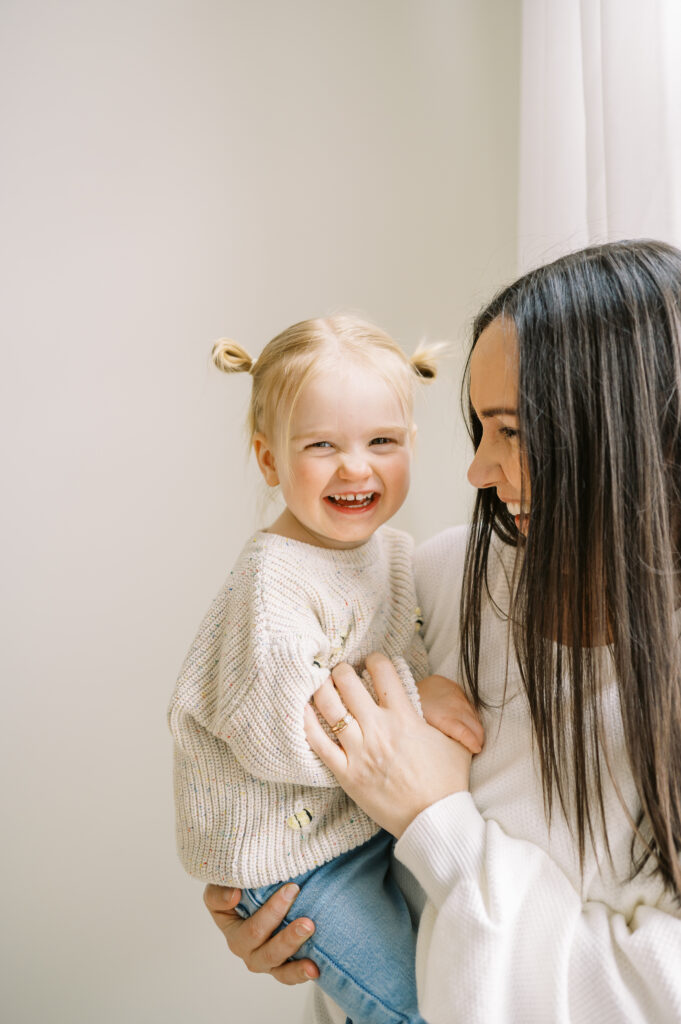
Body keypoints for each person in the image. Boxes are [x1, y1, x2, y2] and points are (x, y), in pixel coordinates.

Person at [205, 240, 681, 1024]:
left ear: (628, 434)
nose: (477, 472)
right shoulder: (434, 579)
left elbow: (650, 995)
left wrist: (436, 820)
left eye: (514, 431)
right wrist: (278, 898)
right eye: (479, 430)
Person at [168, 314, 484, 1024]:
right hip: (294, 865)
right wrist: (417, 698)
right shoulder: (270, 584)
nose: (355, 467)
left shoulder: (395, 554)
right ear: (269, 461)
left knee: (454, 974)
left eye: (382, 442)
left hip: (359, 829)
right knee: (413, 1008)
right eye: (321, 446)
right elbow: (283, 733)